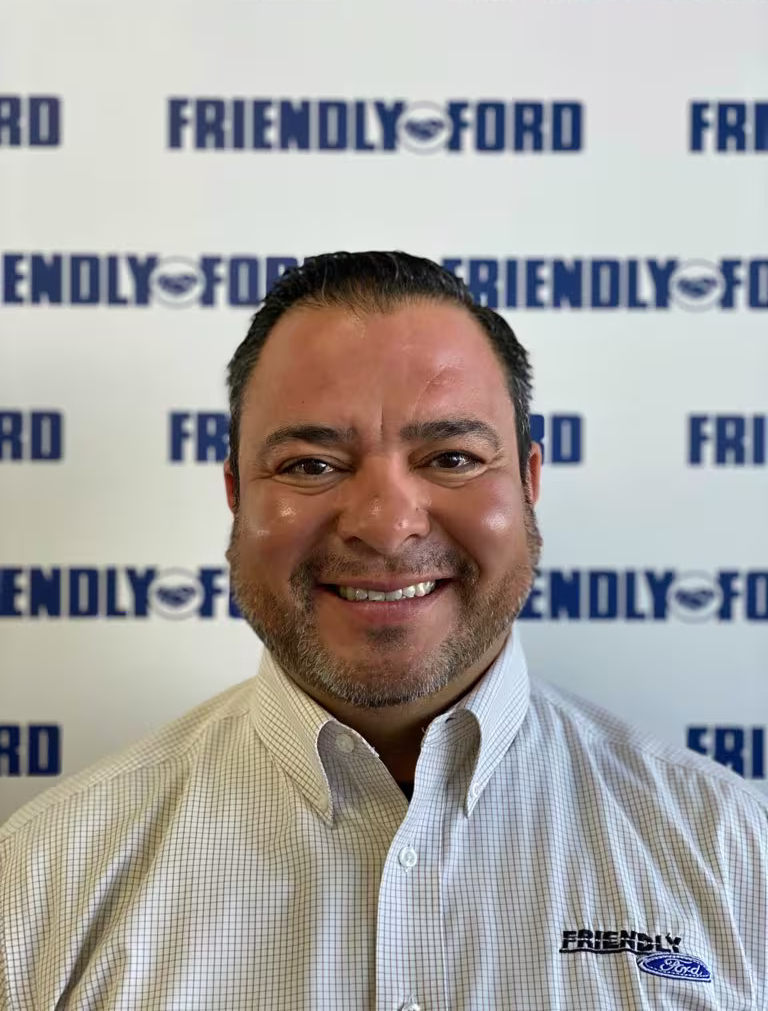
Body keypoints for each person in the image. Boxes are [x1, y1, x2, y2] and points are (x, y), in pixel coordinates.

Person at [0, 252, 765, 1011]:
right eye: (310, 466)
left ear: (529, 483)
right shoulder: (40, 887)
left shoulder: (733, 855)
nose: (387, 524)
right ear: (235, 493)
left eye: (453, 457)